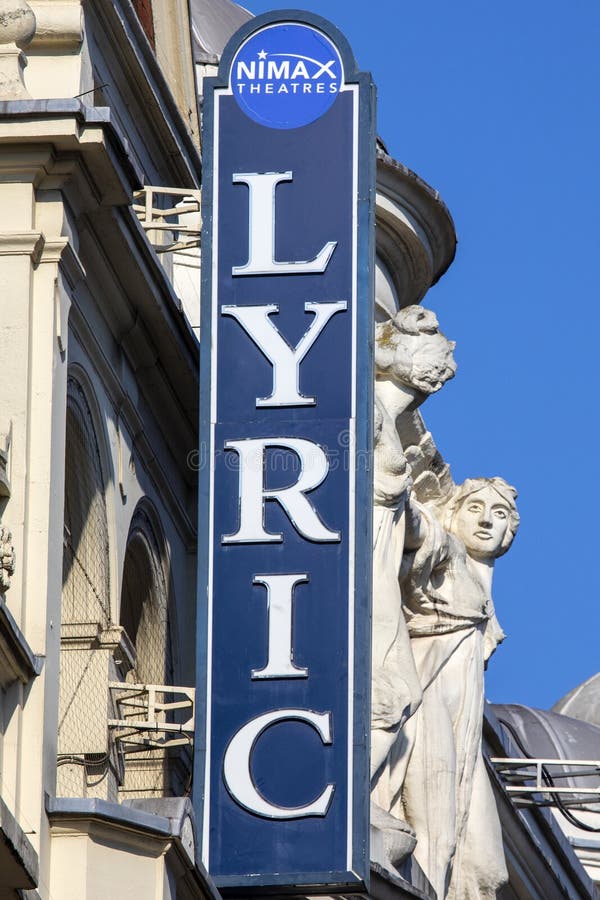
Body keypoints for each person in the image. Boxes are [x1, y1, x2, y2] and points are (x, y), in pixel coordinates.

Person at [392, 478, 519, 899]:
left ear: (509, 533)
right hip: (428, 705)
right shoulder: (445, 553)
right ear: (452, 514)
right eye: (475, 508)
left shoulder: (485, 588)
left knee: (486, 870)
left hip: (465, 723)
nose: (486, 520)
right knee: (438, 840)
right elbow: (412, 529)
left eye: (498, 514)